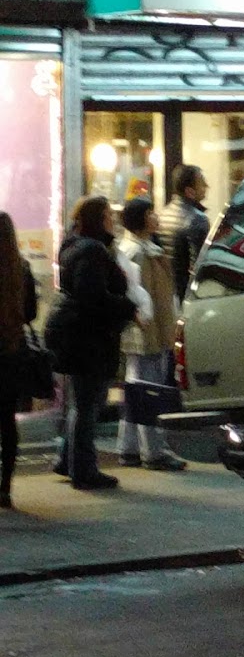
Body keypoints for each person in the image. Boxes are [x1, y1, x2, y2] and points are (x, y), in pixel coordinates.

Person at [46, 196, 136, 491]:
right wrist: (126, 307)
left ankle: (68, 459)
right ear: (98, 218)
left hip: (77, 337)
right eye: (108, 215)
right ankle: (84, 470)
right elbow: (93, 296)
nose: (113, 220)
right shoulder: (92, 251)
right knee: (87, 404)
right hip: (89, 340)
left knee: (79, 403)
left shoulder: (74, 245)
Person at [117, 198, 187, 472]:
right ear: (141, 219)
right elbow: (149, 296)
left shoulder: (139, 249)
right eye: (150, 213)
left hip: (146, 328)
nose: (155, 217)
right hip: (148, 329)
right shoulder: (139, 252)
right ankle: (153, 451)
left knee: (135, 390)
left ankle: (129, 447)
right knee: (149, 389)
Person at [0, 214, 37, 511]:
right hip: (11, 351)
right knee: (8, 422)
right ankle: (5, 488)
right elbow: (31, 313)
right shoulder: (21, 268)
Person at [158, 165, 209, 305]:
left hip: (166, 293)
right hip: (186, 296)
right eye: (202, 182)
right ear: (189, 191)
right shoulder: (197, 219)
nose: (206, 186)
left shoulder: (162, 215)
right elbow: (199, 266)